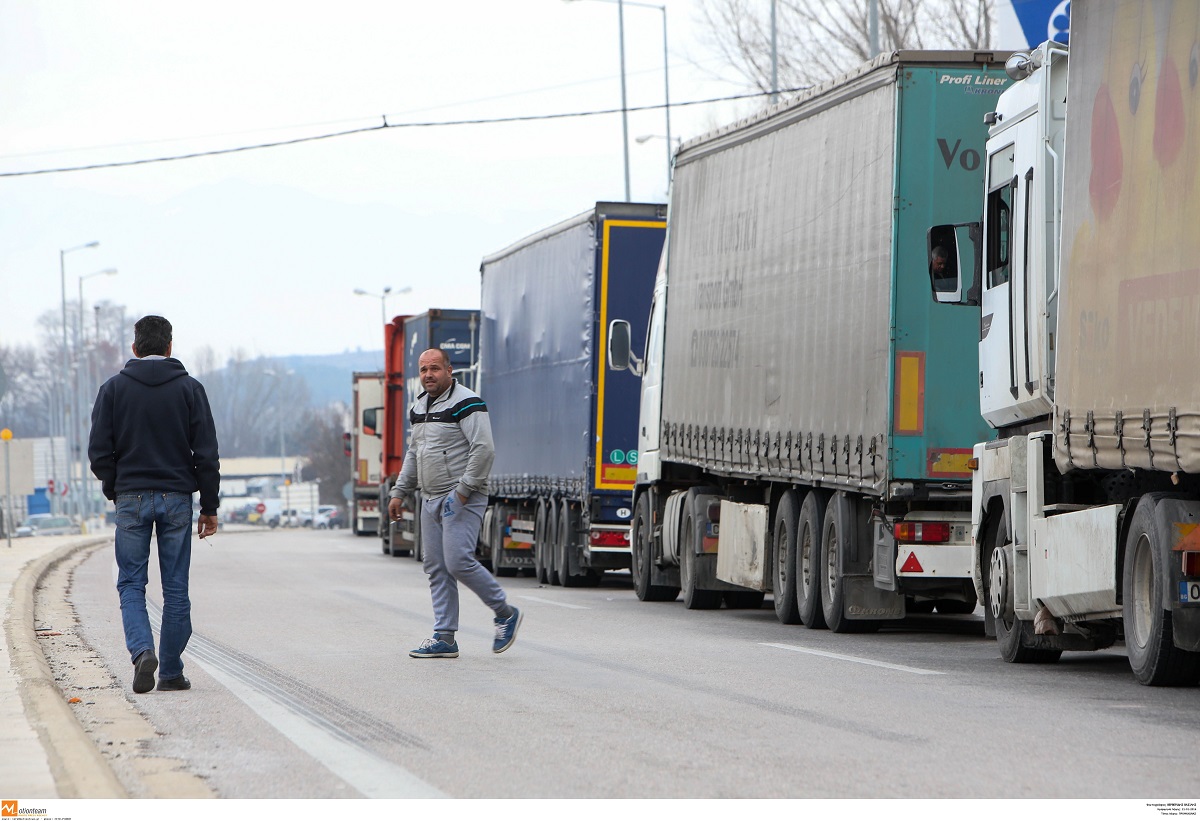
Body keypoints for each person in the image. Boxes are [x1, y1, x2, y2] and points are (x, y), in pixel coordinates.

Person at [88, 315, 220, 693]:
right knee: (176, 588)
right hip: (177, 498)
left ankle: (142, 651)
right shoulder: (190, 390)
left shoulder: (112, 390)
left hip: (131, 497)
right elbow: (206, 454)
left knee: (130, 583)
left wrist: (117, 488)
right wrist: (209, 506)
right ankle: (171, 671)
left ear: (134, 348)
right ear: (169, 347)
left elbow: (99, 452)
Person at [387, 348, 521, 658]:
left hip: (462, 496)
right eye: (423, 370)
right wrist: (399, 491)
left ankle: (505, 612)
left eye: (435, 368)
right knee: (436, 567)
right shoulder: (419, 407)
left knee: (458, 560)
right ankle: (445, 637)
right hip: (430, 497)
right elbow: (414, 453)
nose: (428, 375)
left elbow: (484, 449)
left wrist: (462, 491)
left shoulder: (467, 402)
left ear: (449, 370)